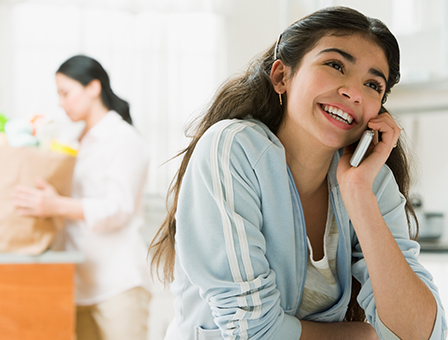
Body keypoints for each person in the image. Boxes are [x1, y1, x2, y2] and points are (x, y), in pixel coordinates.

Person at [149, 6, 447, 340]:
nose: (354, 92)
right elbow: (253, 332)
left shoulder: (369, 180)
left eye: (373, 84)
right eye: (335, 65)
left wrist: (358, 193)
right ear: (281, 77)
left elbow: (422, 333)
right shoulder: (233, 147)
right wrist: (364, 335)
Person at [13, 55, 151, 340]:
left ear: (93, 88)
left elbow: (118, 208)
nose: (61, 103)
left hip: (118, 283)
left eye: (66, 93)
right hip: (78, 282)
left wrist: (55, 205)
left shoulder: (123, 139)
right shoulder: (74, 140)